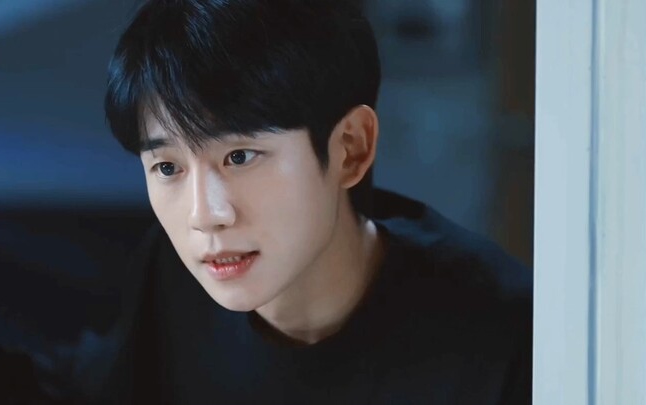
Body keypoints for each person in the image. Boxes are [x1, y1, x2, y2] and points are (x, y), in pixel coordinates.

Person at [92, 0, 533, 403]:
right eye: (168, 167)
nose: (205, 216)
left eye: (239, 156)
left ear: (350, 148)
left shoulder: (508, 331)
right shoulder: (170, 279)